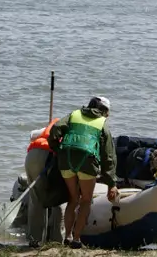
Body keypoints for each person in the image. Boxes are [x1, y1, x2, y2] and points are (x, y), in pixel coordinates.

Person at [47, 96, 119, 249]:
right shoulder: (102, 124)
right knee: (85, 200)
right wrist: (111, 183)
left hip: (66, 160)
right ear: (104, 111)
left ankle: (67, 236)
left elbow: (55, 130)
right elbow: (109, 156)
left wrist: (57, 150)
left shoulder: (73, 115)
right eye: (107, 112)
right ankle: (77, 239)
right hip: (87, 161)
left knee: (73, 199)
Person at [24, 117, 65, 248]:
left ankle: (34, 240)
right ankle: (56, 240)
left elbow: (32, 135)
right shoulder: (83, 129)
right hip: (49, 157)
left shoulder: (55, 125)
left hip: (32, 154)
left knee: (36, 199)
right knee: (59, 198)